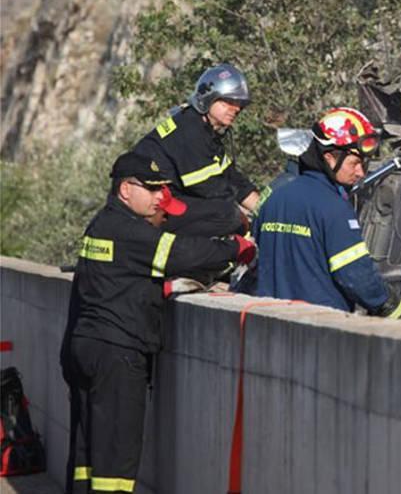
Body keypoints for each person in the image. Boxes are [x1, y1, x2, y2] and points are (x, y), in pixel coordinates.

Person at [60, 151, 256, 494]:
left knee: (87, 455)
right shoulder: (129, 231)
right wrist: (234, 247)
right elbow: (183, 253)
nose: (159, 198)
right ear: (125, 189)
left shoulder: (101, 224)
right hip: (118, 352)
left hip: (87, 345)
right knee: (116, 463)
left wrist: (158, 288)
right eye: (151, 190)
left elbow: (117, 279)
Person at [253, 107, 401, 318]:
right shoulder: (334, 208)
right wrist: (391, 305)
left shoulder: (274, 197)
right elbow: (356, 276)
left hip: (267, 324)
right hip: (318, 329)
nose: (361, 172)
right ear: (330, 158)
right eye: (355, 163)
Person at [131, 63, 260, 238]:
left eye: (239, 104)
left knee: (232, 214)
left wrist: (266, 210)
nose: (236, 108)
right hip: (151, 211)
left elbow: (232, 178)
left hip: (167, 203)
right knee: (228, 216)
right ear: (208, 98)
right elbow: (210, 189)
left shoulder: (206, 131)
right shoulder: (189, 130)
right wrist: (245, 221)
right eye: (229, 101)